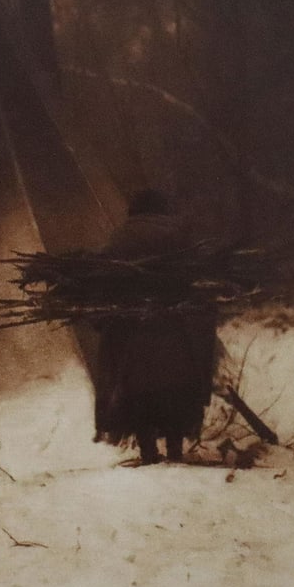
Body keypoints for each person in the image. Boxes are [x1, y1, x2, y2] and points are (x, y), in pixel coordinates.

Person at [91, 189, 217, 464]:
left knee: (139, 393)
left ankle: (148, 450)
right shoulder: (177, 234)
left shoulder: (119, 237)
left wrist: (102, 319)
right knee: (175, 390)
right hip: (173, 332)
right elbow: (197, 279)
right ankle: (175, 449)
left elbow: (104, 282)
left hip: (134, 334)